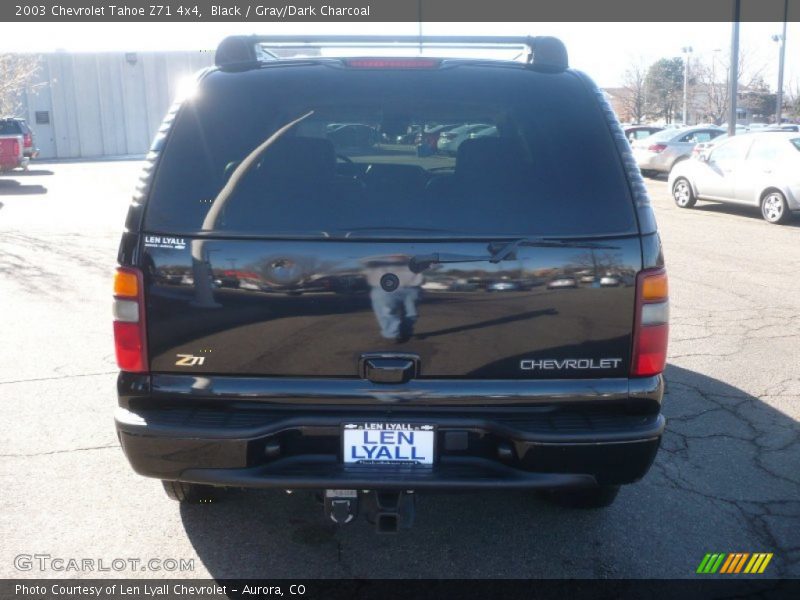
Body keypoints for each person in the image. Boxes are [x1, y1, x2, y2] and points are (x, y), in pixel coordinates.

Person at [362, 254, 423, 343]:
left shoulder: (415, 259)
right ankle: (391, 335)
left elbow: (432, 265)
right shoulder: (377, 259)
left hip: (412, 287)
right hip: (384, 286)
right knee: (387, 312)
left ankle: (406, 333)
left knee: (411, 313)